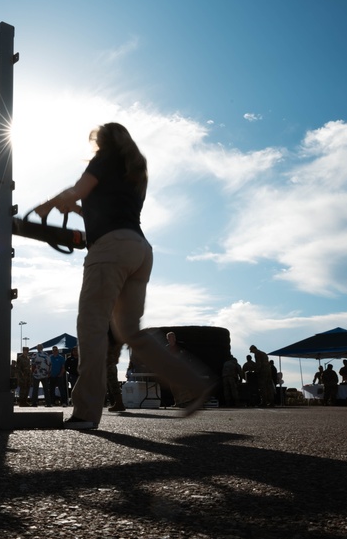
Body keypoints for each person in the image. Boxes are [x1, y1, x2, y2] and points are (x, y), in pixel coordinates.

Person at [34, 122, 213, 429]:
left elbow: (78, 190)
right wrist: (76, 209)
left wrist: (47, 206)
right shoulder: (133, 169)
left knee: (91, 327)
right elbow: (104, 208)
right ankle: (195, 384)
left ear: (101, 142)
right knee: (131, 332)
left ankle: (85, 414)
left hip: (111, 250)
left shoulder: (104, 158)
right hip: (139, 250)